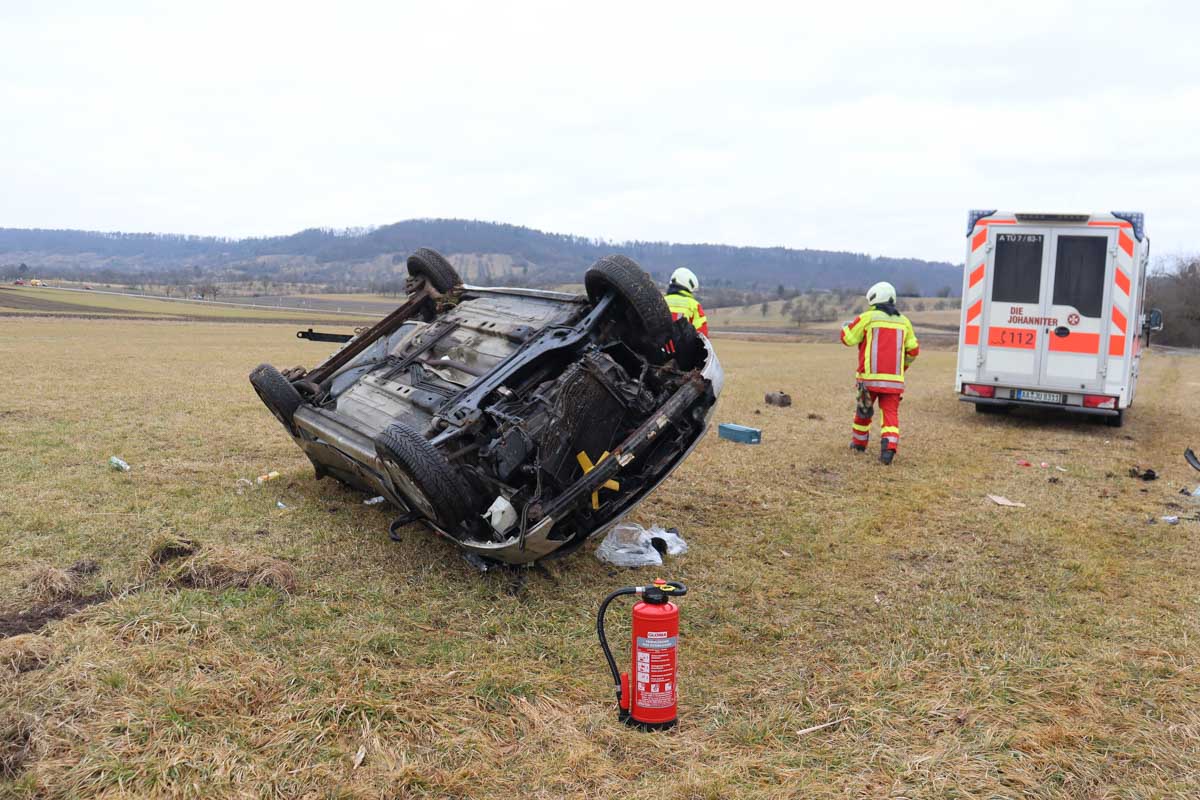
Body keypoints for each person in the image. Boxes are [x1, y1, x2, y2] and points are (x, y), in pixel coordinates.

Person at [840, 281, 919, 465]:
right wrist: (902, 368)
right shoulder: (904, 321)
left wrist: (845, 327)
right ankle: (888, 449)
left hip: (869, 380)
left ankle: (859, 444)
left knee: (863, 411)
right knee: (890, 415)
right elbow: (913, 351)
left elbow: (848, 339)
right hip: (894, 382)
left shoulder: (868, 317)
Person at [664, 267, 709, 336]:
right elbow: (702, 334)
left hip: (661, 343)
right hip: (683, 343)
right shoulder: (693, 305)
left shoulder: (661, 301)